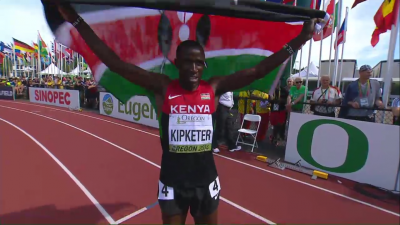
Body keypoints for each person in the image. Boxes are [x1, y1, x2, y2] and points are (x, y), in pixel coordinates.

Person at [55, 3, 320, 224]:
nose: (193, 67)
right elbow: (115, 62)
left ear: (204, 66)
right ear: (176, 63)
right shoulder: (162, 87)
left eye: (198, 62)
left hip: (206, 180)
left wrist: (299, 39)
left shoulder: (214, 88)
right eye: (187, 62)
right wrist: (75, 20)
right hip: (172, 183)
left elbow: (257, 71)